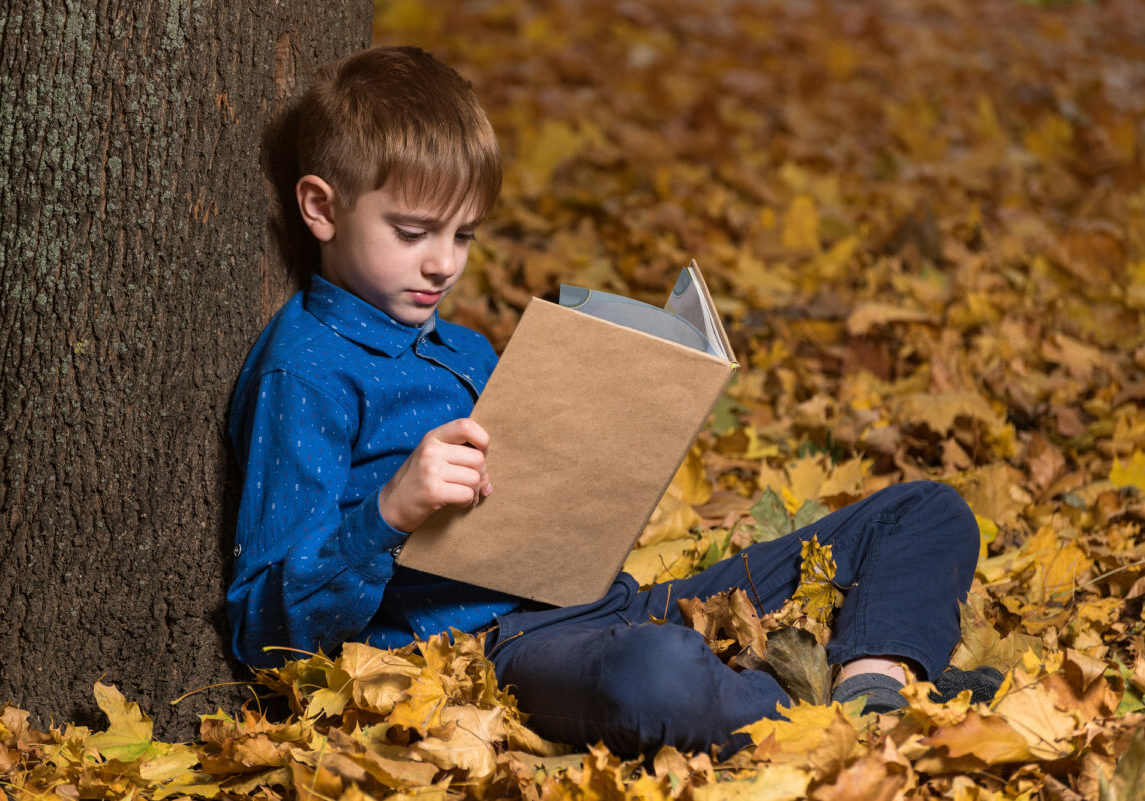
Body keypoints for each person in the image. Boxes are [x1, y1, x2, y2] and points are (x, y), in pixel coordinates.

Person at [227, 44, 987, 757]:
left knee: (925, 511)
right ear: (321, 208)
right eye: (413, 231)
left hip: (606, 601)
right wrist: (389, 510)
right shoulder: (305, 375)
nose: (442, 264)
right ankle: (832, 715)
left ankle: (871, 685)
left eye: (464, 236)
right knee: (656, 672)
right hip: (500, 646)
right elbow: (264, 627)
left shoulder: (461, 347)